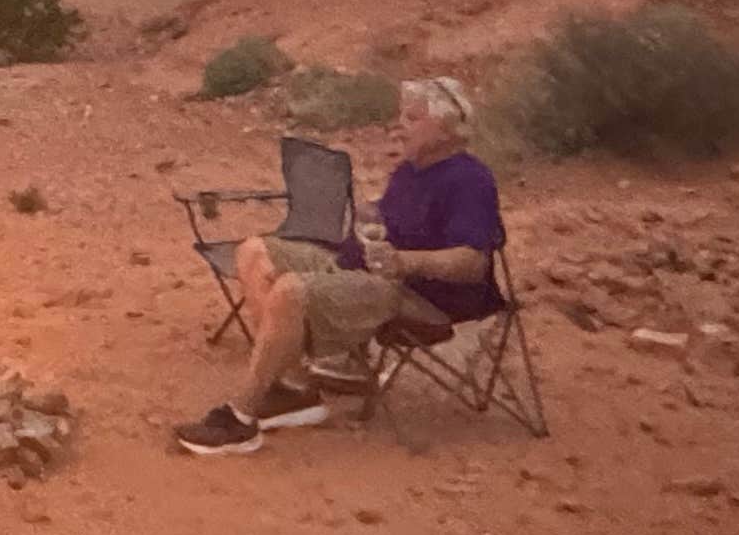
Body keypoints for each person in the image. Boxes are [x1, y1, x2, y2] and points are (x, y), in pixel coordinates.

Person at [175, 76, 505, 456]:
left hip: (414, 291)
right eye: (402, 116)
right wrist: (369, 220)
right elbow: (388, 222)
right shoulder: (411, 170)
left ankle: (242, 420)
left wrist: (403, 261)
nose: (400, 125)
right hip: (360, 265)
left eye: (413, 119)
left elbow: (472, 263)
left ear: (446, 130)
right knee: (253, 253)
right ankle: (290, 390)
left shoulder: (470, 180)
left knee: (292, 290)